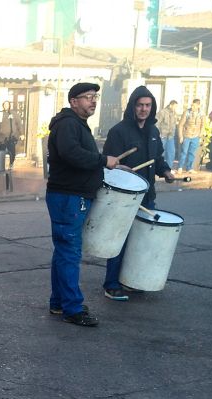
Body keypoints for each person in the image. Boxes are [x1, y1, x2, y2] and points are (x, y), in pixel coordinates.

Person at [46, 82, 124, 327]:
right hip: (69, 197)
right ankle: (72, 307)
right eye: (87, 97)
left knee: (64, 251)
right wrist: (103, 160)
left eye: (95, 97)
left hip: (70, 196)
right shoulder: (69, 124)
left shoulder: (74, 124)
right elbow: (71, 154)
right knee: (69, 251)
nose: (93, 101)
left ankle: (60, 302)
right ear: (73, 101)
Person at [102, 86, 175, 301]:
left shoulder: (153, 131)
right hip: (124, 196)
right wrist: (118, 167)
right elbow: (109, 162)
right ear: (133, 106)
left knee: (141, 240)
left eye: (148, 105)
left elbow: (158, 159)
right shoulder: (119, 131)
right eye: (140, 105)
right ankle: (112, 284)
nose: (144, 109)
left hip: (147, 195)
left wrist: (166, 171)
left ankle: (129, 280)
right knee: (120, 240)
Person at [0, 101, 24, 169]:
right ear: (3, 106)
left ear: (9, 105)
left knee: (12, 152)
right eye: (4, 105)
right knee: (1, 153)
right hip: (1, 137)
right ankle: (0, 167)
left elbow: (19, 123)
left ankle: (11, 164)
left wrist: (22, 133)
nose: (6, 106)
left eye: (7, 105)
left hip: (11, 137)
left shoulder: (14, 114)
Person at [177, 98, 205, 174]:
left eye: (194, 106)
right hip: (186, 135)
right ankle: (180, 167)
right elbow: (180, 125)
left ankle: (189, 168)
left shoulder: (201, 114)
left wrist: (200, 136)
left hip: (196, 136)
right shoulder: (187, 112)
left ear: (198, 106)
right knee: (184, 152)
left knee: (192, 153)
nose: (192, 107)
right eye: (192, 105)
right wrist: (181, 136)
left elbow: (202, 125)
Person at [155, 100, 179, 171]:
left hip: (171, 136)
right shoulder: (162, 112)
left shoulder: (175, 113)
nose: (175, 108)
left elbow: (174, 124)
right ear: (171, 105)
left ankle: (168, 169)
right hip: (162, 136)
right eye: (175, 106)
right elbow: (156, 123)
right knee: (161, 152)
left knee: (171, 152)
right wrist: (158, 134)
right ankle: (159, 169)